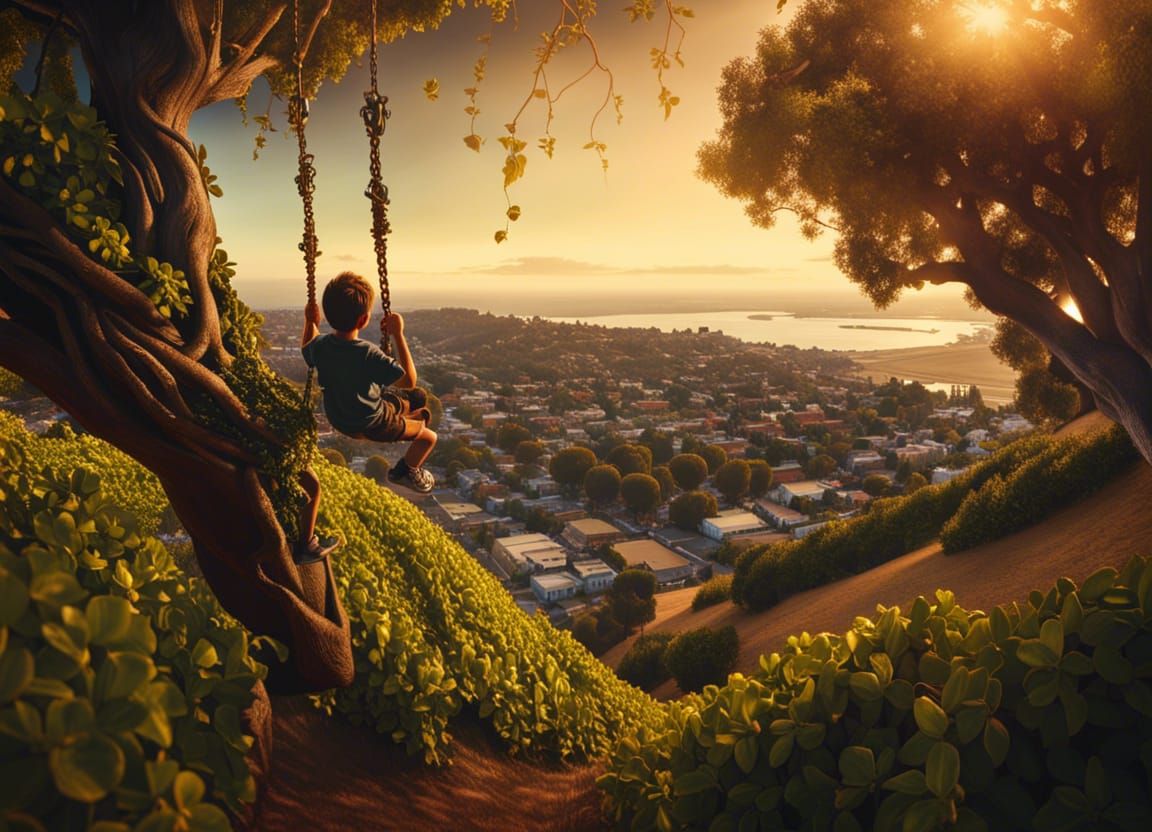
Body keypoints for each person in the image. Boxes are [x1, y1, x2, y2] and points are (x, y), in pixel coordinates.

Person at [301, 271, 438, 500]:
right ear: (363, 320)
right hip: (371, 423)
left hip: (340, 416)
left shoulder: (321, 346)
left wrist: (310, 321)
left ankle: (409, 416)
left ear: (326, 315)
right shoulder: (366, 353)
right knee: (429, 437)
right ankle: (405, 471)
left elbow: (307, 344)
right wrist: (398, 334)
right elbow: (408, 380)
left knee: (417, 398)